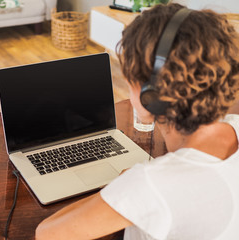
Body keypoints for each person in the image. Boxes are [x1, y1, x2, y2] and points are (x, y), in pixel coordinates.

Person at [36, 3, 239, 239]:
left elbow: (47, 233)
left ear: (150, 95)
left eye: (129, 78)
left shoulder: (151, 183)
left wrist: (122, 191)